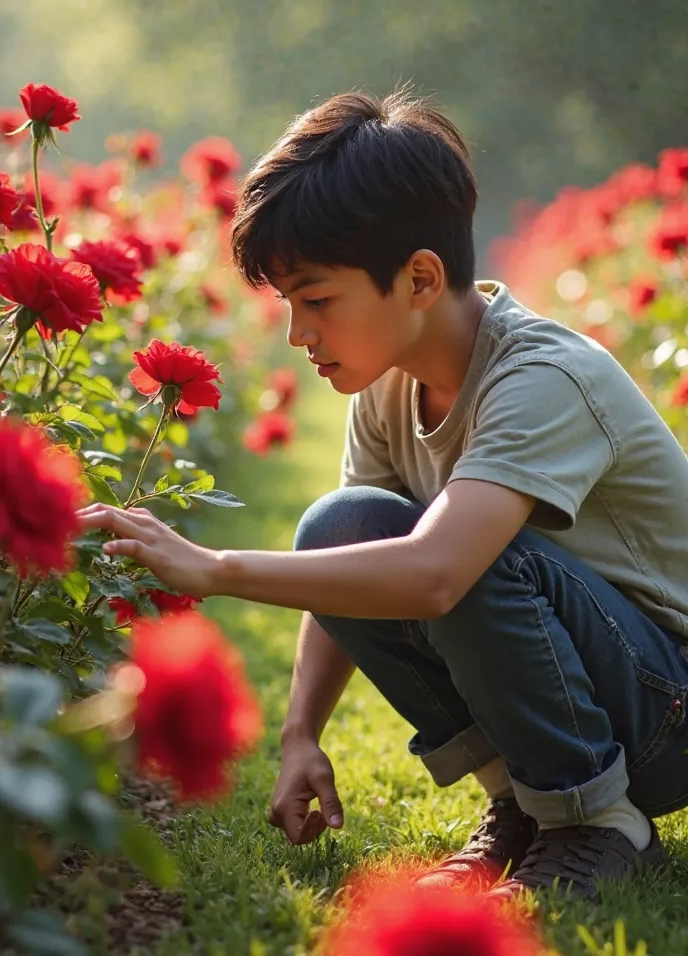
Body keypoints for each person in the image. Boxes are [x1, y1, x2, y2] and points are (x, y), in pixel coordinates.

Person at [79, 89, 688, 899]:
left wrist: (217, 567)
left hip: (666, 708)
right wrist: (300, 734)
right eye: (290, 306)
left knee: (467, 555)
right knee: (342, 525)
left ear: (420, 278)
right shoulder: (387, 386)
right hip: (598, 680)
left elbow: (434, 572)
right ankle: (525, 800)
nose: (299, 335)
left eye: (318, 301)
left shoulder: (543, 379)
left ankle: (596, 821)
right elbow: (358, 563)